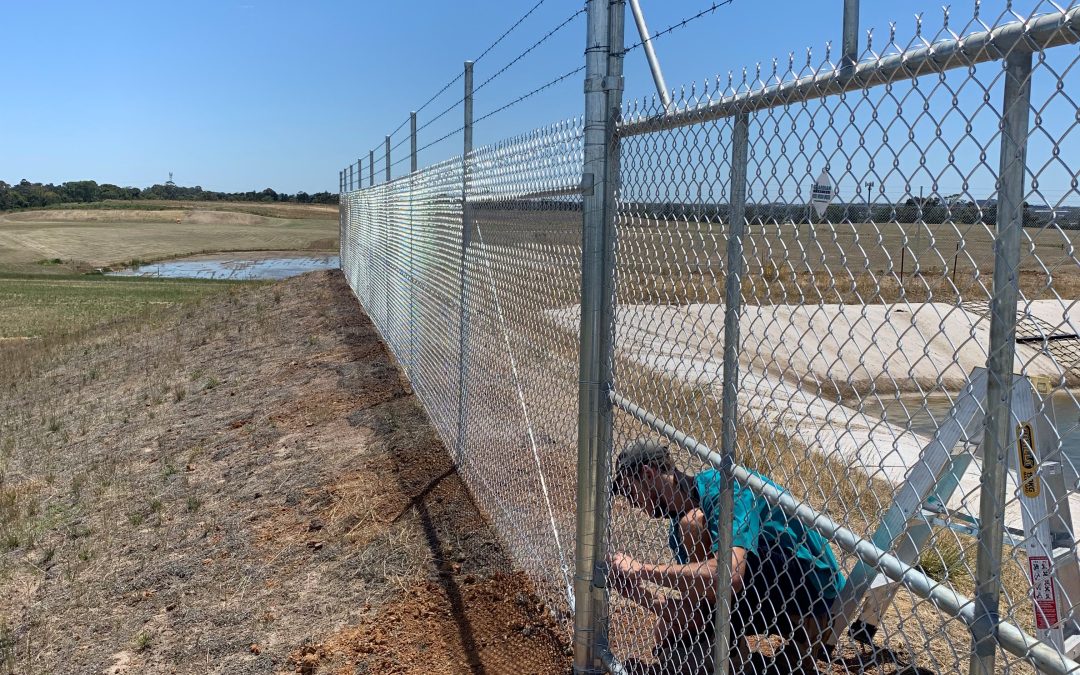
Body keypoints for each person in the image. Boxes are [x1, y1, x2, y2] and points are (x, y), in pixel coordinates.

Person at [607, 438, 846, 675]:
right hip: (769, 590)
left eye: (630, 492)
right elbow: (695, 610)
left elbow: (730, 576)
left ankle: (743, 656)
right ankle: (744, 663)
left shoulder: (725, 488)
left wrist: (642, 570)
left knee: (695, 529)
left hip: (815, 593)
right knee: (668, 632)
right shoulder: (678, 530)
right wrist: (639, 594)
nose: (633, 504)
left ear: (648, 475)